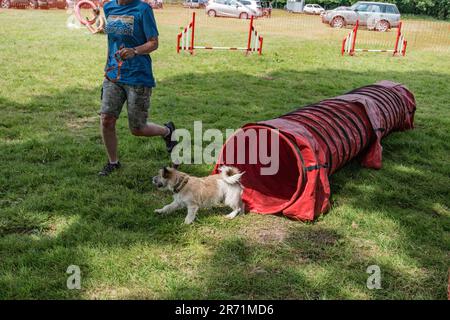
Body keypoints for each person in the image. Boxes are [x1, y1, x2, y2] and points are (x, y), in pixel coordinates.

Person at [99, 0, 176, 176]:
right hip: (113, 75)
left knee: (138, 129)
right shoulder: (109, 7)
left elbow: (153, 42)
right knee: (106, 119)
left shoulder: (143, 9)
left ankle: (167, 131)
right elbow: (111, 41)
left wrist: (135, 50)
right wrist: (107, 66)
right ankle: (113, 162)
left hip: (138, 76)